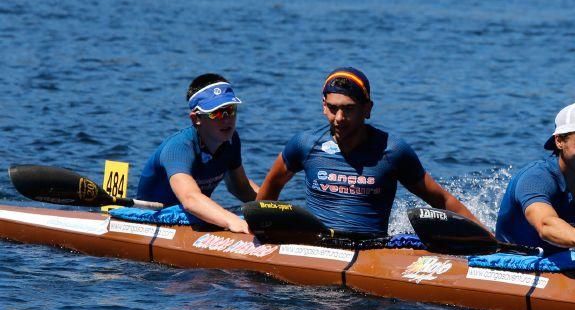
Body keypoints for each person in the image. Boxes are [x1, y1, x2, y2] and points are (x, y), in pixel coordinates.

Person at [256, 67, 478, 235]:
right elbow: (272, 184)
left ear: (367, 109)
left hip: (371, 253)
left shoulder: (393, 151)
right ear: (324, 106)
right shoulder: (303, 144)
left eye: (349, 109)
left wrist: (488, 241)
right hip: (316, 248)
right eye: (333, 108)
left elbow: (441, 199)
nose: (340, 118)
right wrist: (259, 229)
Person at [136, 74, 258, 233]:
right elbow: (190, 199)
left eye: (230, 110)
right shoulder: (179, 147)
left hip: (192, 216)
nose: (227, 119)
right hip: (153, 218)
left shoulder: (231, 140)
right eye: (217, 113)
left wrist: (275, 211)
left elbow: (241, 188)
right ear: (196, 119)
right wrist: (233, 221)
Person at [495, 102, 575, 254]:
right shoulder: (536, 179)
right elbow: (546, 226)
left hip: (561, 261)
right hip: (513, 261)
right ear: (559, 141)